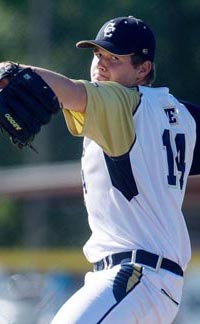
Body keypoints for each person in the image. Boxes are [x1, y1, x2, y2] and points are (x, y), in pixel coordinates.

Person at [1, 15, 200, 324]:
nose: (101, 64)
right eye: (98, 54)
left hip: (134, 276)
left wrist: (15, 72)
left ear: (142, 69)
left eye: (114, 58)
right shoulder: (183, 115)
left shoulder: (118, 100)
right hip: (146, 280)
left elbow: (70, 91)